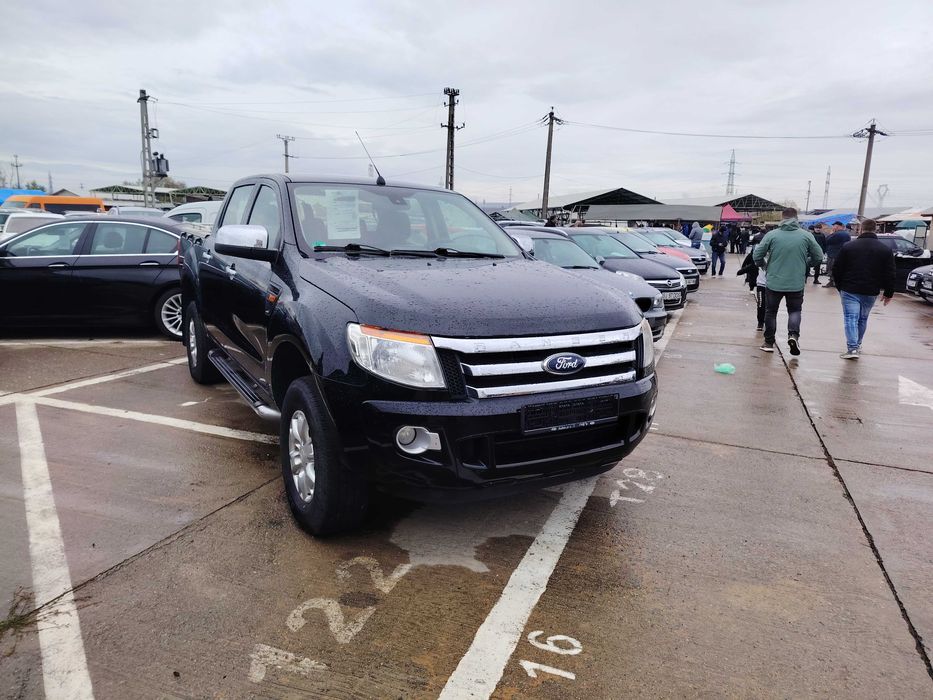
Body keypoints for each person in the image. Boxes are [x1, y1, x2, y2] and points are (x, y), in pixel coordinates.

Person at [752, 207, 824, 355]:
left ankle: (768, 342)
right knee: (795, 311)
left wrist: (763, 265)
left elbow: (757, 255)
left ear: (782, 218)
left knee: (771, 312)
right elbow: (818, 256)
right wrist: (806, 264)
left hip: (774, 281)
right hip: (796, 282)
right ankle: (793, 336)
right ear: (796, 219)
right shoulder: (806, 236)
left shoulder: (772, 235)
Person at [831, 219, 895, 359]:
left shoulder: (848, 247)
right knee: (862, 318)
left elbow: (837, 268)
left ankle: (852, 348)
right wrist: (888, 292)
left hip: (849, 288)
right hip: (871, 290)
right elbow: (890, 273)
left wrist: (840, 286)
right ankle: (857, 345)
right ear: (875, 229)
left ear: (861, 229)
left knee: (851, 318)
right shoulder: (885, 249)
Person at [736, 230, 768, 330]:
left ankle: (768, 323)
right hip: (762, 283)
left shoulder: (778, 254)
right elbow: (751, 264)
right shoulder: (757, 253)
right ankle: (760, 323)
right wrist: (742, 270)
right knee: (761, 304)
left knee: (770, 306)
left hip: (773, 284)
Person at [822, 220, 851, 288]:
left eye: (834, 226)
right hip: (842, 255)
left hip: (833, 255)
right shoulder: (847, 234)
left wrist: (831, 234)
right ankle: (837, 282)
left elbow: (827, 240)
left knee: (831, 269)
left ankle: (832, 282)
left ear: (837, 226)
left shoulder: (837, 234)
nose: (833, 227)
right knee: (839, 269)